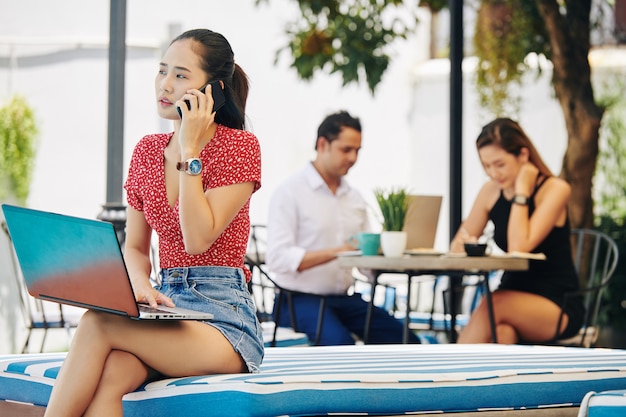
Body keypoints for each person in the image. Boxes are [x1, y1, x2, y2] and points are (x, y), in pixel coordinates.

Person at [43, 29, 263, 417]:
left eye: (180, 75)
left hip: (224, 320)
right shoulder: (146, 150)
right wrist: (140, 286)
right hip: (168, 306)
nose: (165, 85)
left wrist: (190, 150)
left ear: (214, 89)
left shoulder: (240, 147)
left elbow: (197, 238)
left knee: (97, 325)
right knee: (113, 375)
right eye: (162, 71)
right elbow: (134, 247)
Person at [265, 110, 419, 345]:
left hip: (343, 300)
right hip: (296, 301)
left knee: (406, 340)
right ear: (322, 144)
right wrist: (340, 251)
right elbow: (277, 258)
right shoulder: (290, 192)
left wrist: (385, 252)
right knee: (341, 345)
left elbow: (364, 264)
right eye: (346, 149)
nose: (353, 158)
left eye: (357, 151)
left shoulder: (354, 198)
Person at [451, 117, 584, 344]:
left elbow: (519, 247)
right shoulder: (490, 191)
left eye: (499, 164)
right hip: (510, 295)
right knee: (502, 333)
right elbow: (456, 247)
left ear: (523, 155)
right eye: (486, 166)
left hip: (555, 302)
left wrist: (522, 191)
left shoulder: (555, 190)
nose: (493, 173)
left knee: (492, 305)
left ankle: (450, 373)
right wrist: (467, 242)